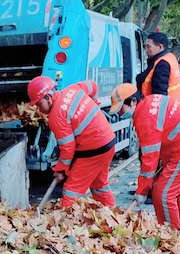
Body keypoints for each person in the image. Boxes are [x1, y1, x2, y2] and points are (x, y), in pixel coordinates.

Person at [110, 83, 180, 228]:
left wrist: (142, 190)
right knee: (178, 194)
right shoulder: (148, 105)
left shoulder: (145, 119)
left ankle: (171, 237)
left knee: (162, 194)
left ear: (132, 102)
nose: (120, 114)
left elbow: (149, 160)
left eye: (121, 109)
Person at [27, 76, 117, 208]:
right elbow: (93, 86)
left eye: (39, 104)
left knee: (71, 190)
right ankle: (113, 216)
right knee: (99, 185)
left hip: (93, 149)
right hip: (108, 142)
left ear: (48, 98)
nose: (38, 109)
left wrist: (61, 169)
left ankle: (68, 224)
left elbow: (68, 148)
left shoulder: (56, 116)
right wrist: (95, 103)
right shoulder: (73, 89)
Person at [135, 32, 180, 101]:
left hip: (158, 108)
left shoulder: (162, 64)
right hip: (170, 106)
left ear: (160, 47)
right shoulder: (170, 57)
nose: (146, 51)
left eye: (148, 47)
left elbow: (159, 95)